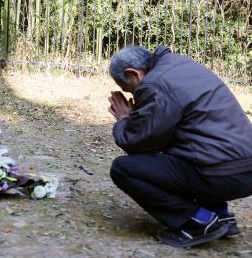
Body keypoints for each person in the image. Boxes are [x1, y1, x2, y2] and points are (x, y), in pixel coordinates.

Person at [107, 45, 252, 248]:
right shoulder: (180, 65)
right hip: (244, 169)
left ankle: (198, 222)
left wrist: (124, 120)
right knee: (181, 154)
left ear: (133, 73)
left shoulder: (155, 84)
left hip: (222, 175)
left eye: (129, 88)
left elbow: (137, 142)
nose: (133, 94)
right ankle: (221, 216)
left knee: (124, 169)